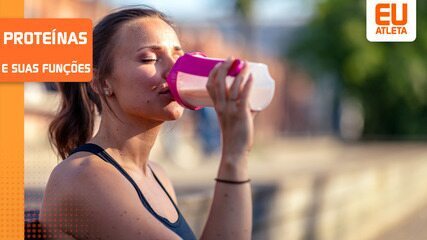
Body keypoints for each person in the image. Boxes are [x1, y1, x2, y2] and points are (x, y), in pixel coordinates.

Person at [40, 6, 255, 240]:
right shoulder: (82, 176)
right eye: (149, 58)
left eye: (179, 57)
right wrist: (234, 154)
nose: (174, 70)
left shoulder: (156, 176)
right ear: (101, 83)